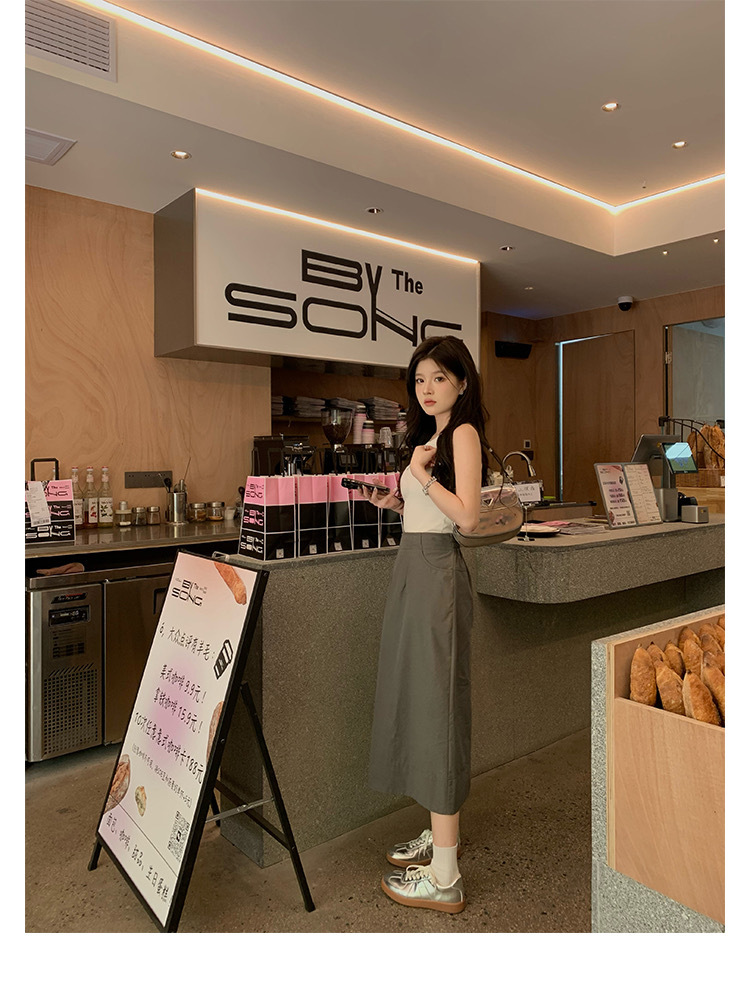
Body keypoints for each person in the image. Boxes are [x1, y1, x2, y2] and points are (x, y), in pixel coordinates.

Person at [361, 334, 490, 914]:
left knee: (438, 708)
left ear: (461, 381)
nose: (428, 388)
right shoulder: (431, 438)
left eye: (439, 377)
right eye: (419, 379)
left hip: (436, 572)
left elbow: (468, 516)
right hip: (413, 567)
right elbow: (429, 511)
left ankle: (445, 875)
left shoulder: (462, 434)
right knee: (419, 699)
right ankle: (438, 838)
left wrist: (422, 476)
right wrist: (396, 500)